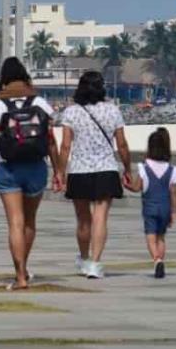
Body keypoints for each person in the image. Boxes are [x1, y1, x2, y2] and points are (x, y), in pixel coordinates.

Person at [0, 57, 63, 291]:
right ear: (25, 77)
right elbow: (51, 141)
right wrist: (59, 170)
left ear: (3, 80)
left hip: (8, 168)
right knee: (30, 221)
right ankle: (24, 267)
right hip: (36, 167)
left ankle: (20, 276)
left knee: (15, 223)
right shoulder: (40, 102)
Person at [58, 71, 133, 280]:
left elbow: (65, 146)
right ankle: (95, 262)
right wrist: (127, 169)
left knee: (83, 220)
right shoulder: (112, 111)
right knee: (101, 217)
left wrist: (60, 172)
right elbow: (122, 144)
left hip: (80, 170)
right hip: (106, 169)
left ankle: (83, 258)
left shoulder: (71, 112)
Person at [133, 127, 176, 279]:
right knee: (161, 237)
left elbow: (137, 187)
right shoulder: (172, 170)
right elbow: (173, 193)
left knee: (150, 236)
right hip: (165, 207)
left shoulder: (144, 168)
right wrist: (174, 211)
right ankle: (161, 259)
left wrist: (127, 184)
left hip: (150, 207)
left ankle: (156, 259)